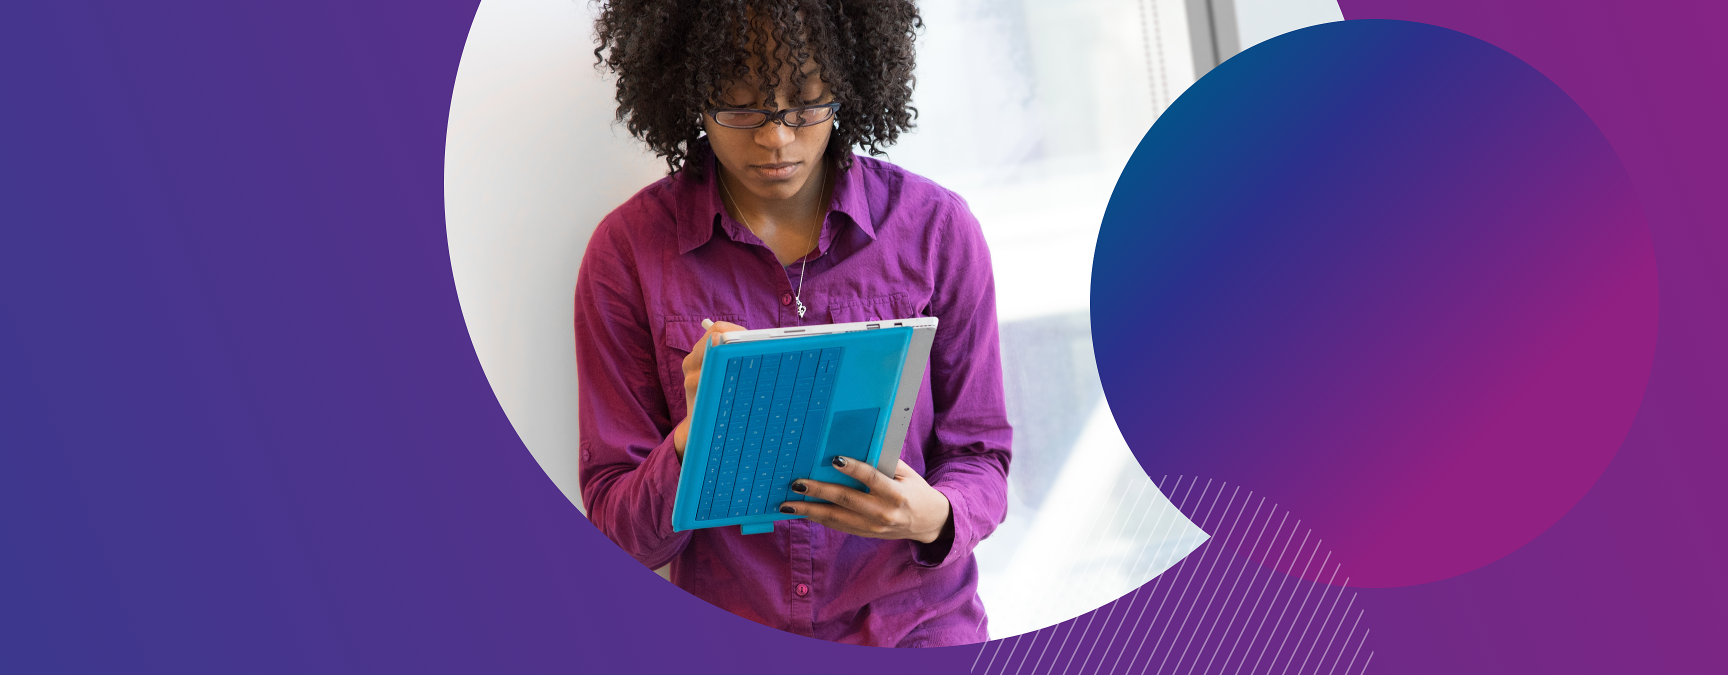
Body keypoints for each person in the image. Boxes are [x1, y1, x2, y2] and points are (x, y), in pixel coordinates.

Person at [575, 0, 1011, 647]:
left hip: (916, 627)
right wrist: (692, 441)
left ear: (850, 83)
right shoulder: (628, 254)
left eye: (806, 103)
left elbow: (981, 454)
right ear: (689, 91)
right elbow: (618, 535)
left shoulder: (938, 231)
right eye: (741, 105)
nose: (776, 138)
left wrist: (934, 517)